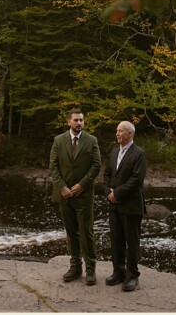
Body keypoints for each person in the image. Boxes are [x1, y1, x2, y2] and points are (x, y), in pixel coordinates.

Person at [49, 108, 101, 285]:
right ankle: (75, 267)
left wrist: (81, 185)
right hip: (65, 196)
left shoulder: (91, 141)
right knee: (71, 232)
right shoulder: (59, 140)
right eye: (76, 120)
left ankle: (91, 269)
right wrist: (62, 187)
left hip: (84, 195)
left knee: (86, 232)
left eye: (81, 120)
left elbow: (96, 166)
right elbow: (53, 166)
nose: (79, 123)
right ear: (68, 122)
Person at [105, 120, 147, 292]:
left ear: (130, 133)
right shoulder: (114, 152)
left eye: (120, 131)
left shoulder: (139, 154)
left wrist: (118, 193)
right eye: (117, 131)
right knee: (116, 241)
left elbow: (137, 180)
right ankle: (118, 272)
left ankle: (132, 277)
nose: (117, 134)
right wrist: (109, 192)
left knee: (132, 242)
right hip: (114, 206)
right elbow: (107, 174)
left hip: (131, 206)